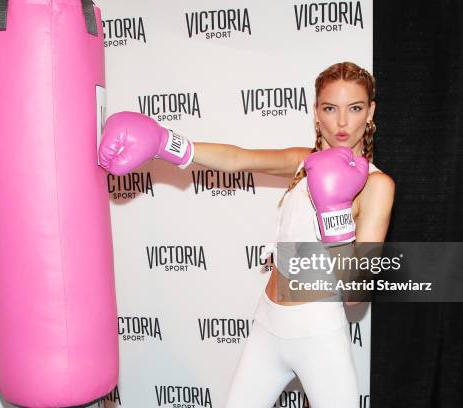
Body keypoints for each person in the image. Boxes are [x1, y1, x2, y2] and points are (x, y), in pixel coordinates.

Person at [98, 61, 395, 408]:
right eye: (330, 108)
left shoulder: (377, 185)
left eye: (355, 108)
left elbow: (356, 296)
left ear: (370, 110)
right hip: (268, 324)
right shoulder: (305, 162)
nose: (342, 122)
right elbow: (238, 158)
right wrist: (166, 142)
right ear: (316, 112)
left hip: (319, 331)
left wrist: (336, 213)